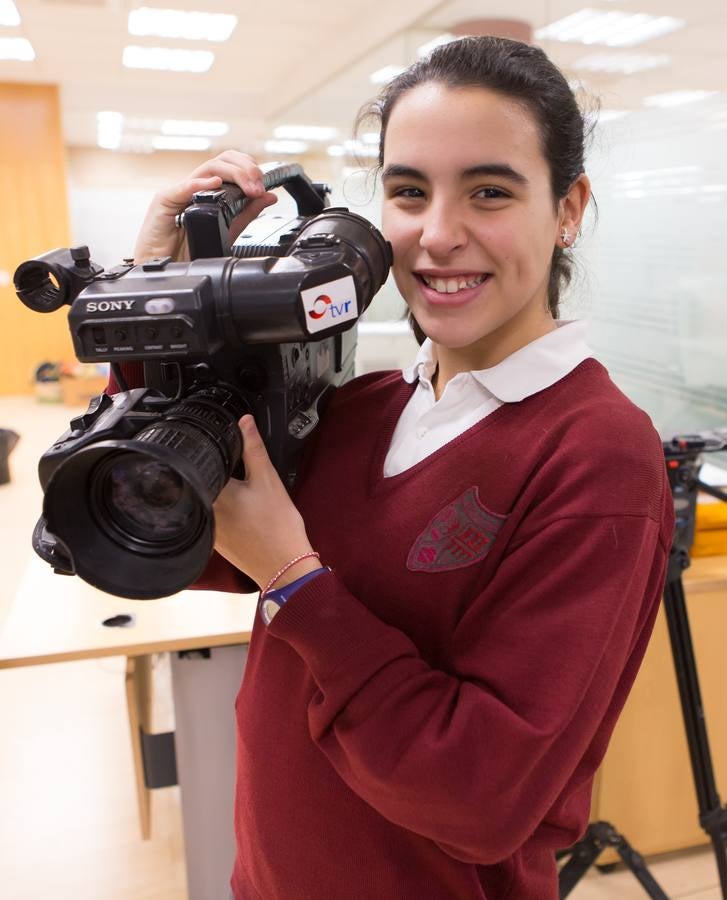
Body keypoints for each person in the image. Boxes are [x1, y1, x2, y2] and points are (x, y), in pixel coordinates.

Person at [126, 36, 674, 900]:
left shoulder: (596, 456)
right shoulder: (363, 406)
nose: (437, 235)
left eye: (489, 191)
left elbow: (477, 798)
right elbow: (156, 538)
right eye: (408, 191)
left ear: (567, 208)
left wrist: (295, 581)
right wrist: (159, 290)